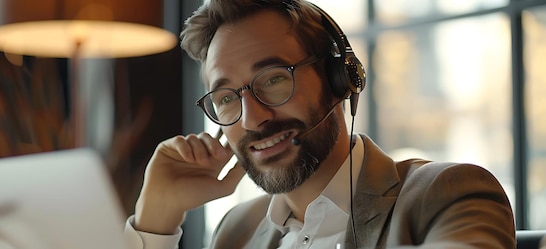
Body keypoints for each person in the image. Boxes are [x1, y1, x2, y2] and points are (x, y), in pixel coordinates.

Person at [124, 0, 516, 248]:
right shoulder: (236, 231)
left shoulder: (446, 195)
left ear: (339, 80)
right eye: (227, 98)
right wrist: (156, 222)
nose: (253, 117)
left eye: (274, 78)